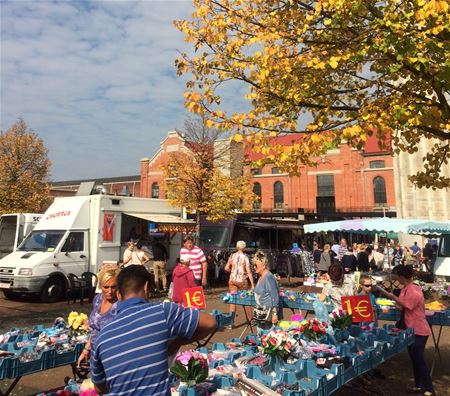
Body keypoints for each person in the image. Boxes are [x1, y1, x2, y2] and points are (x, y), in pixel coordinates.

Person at [91, 265, 216, 395]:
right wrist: (176, 343)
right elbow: (211, 323)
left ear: (118, 294)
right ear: (146, 287)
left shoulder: (102, 338)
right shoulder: (162, 312)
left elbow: (100, 388)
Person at [378, 265, 433, 396]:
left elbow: (407, 304)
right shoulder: (405, 289)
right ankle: (419, 386)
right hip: (409, 329)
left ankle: (429, 389)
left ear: (401, 276)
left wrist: (392, 296)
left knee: (419, 360)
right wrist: (397, 301)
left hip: (418, 330)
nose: (395, 278)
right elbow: (401, 307)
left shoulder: (413, 290)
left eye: (396, 275)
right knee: (414, 360)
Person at [77, 267, 120, 367]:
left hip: (111, 355)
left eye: (114, 287)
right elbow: (95, 330)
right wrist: (86, 350)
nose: (110, 291)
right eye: (106, 287)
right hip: (95, 353)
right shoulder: (98, 299)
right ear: (100, 286)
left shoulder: (120, 304)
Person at [224, 241, 255, 329]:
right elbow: (248, 271)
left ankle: (230, 322)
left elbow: (226, 268)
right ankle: (250, 320)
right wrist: (252, 284)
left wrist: (233, 271)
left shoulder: (232, 256)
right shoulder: (245, 257)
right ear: (244, 248)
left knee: (233, 300)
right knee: (246, 299)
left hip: (232, 280)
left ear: (237, 247)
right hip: (242, 280)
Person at [252, 250, 280, 332]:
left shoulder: (268, 277)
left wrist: (274, 314)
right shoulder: (261, 277)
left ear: (263, 266)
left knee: (269, 339)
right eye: (253, 265)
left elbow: (274, 296)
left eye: (256, 265)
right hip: (261, 315)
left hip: (268, 317)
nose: (254, 267)